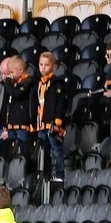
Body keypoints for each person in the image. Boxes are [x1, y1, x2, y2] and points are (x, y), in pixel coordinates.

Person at [0, 56, 35, 154]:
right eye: (1, 73)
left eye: (6, 73)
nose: (3, 76)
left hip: (16, 127)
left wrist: (8, 129)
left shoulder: (21, 85)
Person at [31, 52, 68, 183]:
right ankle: (46, 175)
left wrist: (58, 119)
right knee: (44, 152)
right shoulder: (37, 84)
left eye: (46, 65)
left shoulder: (57, 83)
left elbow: (61, 103)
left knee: (56, 151)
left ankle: (60, 176)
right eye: (41, 64)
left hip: (52, 125)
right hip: (41, 125)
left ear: (53, 66)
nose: (43, 67)